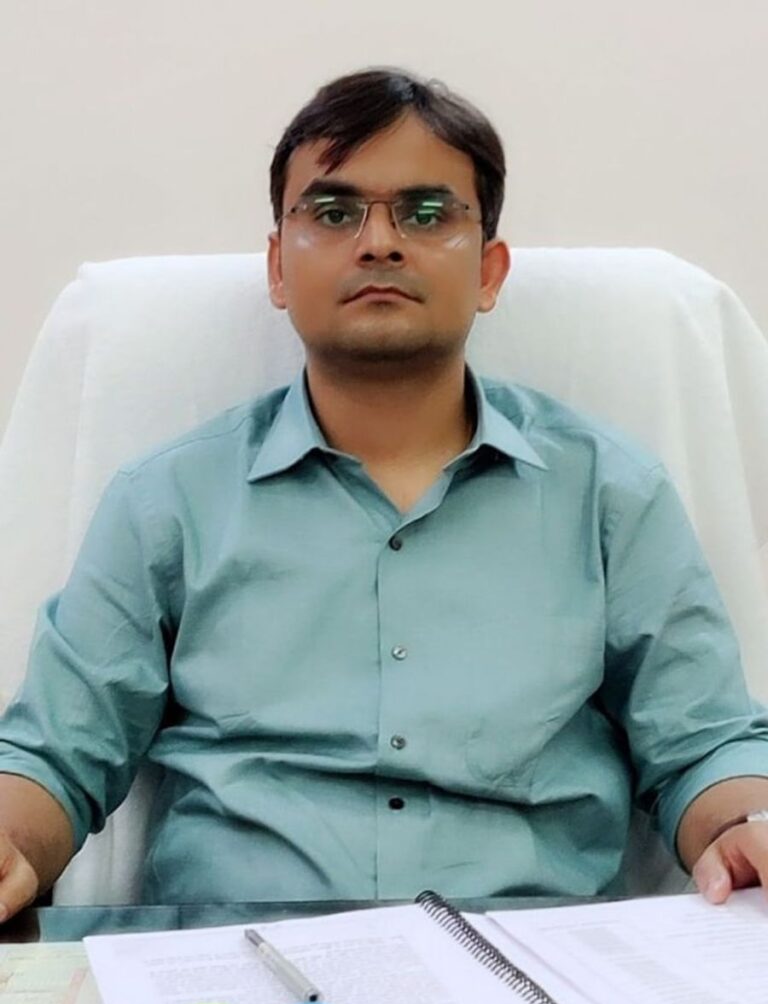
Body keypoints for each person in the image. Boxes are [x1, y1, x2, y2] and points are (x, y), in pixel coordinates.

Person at [1, 67, 767, 920]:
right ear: (278, 268)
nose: (378, 244)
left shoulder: (610, 495)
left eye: (426, 213)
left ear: (490, 270)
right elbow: (56, 753)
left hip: (530, 958)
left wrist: (746, 827)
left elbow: (704, 743)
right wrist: (12, 842)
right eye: (334, 213)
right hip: (231, 954)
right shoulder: (167, 500)